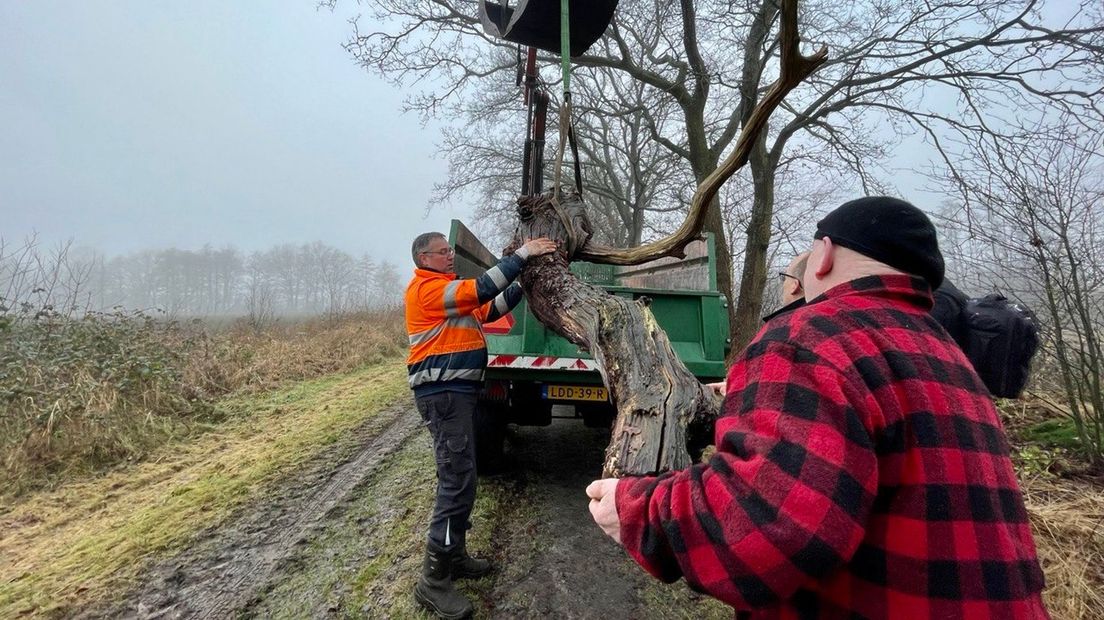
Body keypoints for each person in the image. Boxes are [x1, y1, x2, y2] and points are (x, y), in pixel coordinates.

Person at [587, 196, 1048, 618]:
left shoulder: (812, 337)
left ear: (823, 256)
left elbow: (763, 530)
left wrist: (636, 510)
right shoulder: (948, 356)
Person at [406, 231, 556, 619]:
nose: (449, 256)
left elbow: (490, 306)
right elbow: (484, 287)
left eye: (448, 251)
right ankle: (433, 581)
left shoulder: (450, 292)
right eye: (442, 252)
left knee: (465, 477)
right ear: (424, 257)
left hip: (457, 394)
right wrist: (524, 254)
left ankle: (454, 556)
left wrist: (524, 282)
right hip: (442, 396)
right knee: (455, 481)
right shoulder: (427, 291)